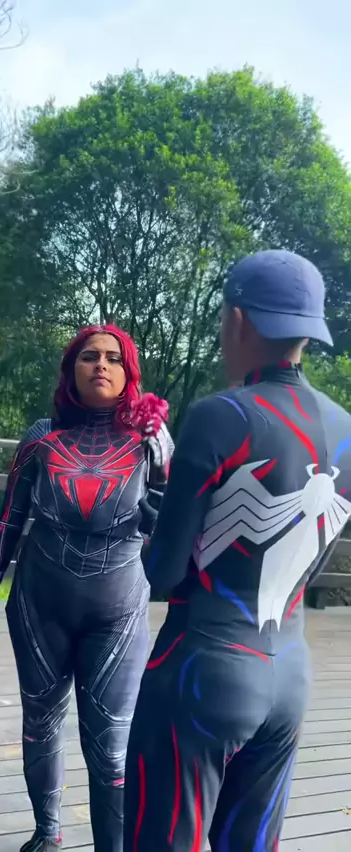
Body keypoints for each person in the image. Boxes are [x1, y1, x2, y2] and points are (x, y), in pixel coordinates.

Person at [123, 249, 351, 851]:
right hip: (290, 673)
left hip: (202, 666)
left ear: (238, 320)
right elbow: (308, 558)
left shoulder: (219, 416)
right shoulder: (346, 430)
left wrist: (154, 527)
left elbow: (164, 574)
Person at [0, 324, 172, 852]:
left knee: (111, 746)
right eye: (88, 356)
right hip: (39, 606)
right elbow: (8, 520)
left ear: (129, 373)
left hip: (118, 611)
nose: (100, 365)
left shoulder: (150, 441)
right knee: (40, 723)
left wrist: (162, 468)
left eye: (113, 358)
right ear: (70, 369)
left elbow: (170, 532)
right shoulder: (41, 437)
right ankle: (47, 832)